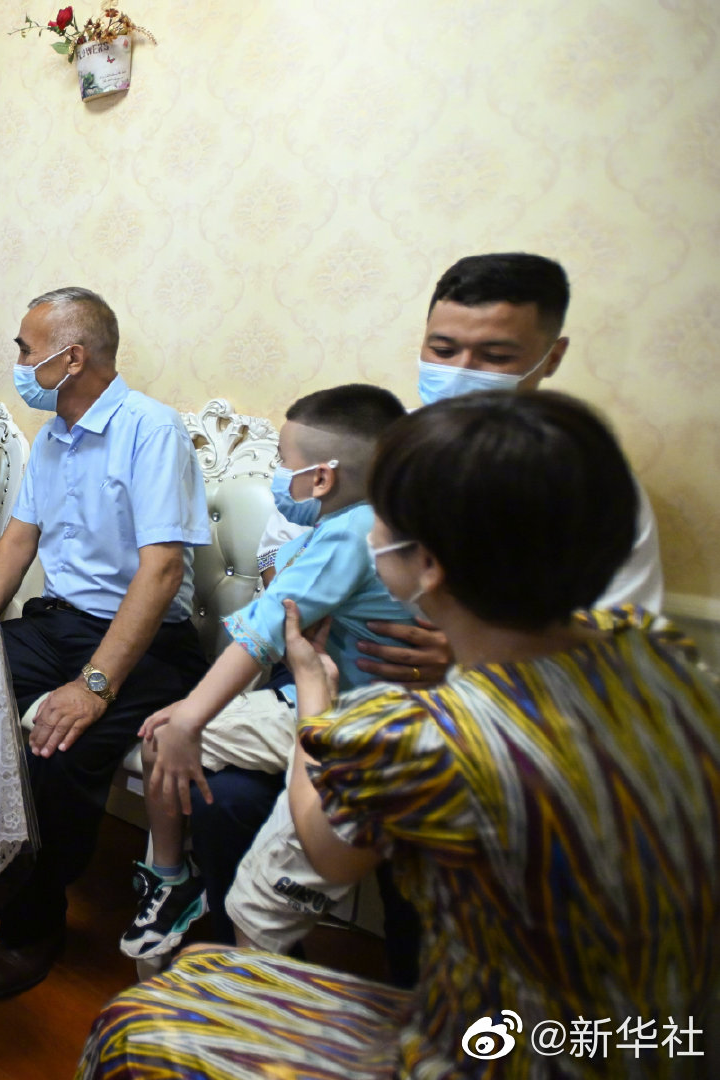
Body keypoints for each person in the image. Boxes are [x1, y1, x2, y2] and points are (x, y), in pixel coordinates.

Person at [78, 392, 719, 1080]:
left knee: (133, 1027)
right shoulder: (655, 652)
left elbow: (328, 851)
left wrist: (315, 698)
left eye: (380, 508)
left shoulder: (426, 734)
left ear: (428, 563)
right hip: (667, 1041)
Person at [191, 252, 669, 967]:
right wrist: (301, 607)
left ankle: (390, 987)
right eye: (443, 349)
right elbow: (288, 550)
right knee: (221, 792)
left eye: (494, 355)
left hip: (460, 727)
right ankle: (248, 955)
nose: (460, 370)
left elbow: (614, 657)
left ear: (551, 355)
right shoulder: (387, 447)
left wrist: (461, 658)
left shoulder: (585, 488)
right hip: (339, 691)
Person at [0, 288, 211, 998]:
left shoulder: (151, 430)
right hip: (59, 623)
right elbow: (19, 538)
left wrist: (93, 685)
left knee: (59, 746)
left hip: (147, 638)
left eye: (25, 349)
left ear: (70, 359)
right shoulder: (52, 438)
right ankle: (4, 871)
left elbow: (161, 572)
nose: (17, 361)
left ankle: (34, 923)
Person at [123, 385, 414, 963]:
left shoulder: (349, 533)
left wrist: (192, 718)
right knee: (163, 738)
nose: (279, 475)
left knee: (253, 905)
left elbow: (261, 634)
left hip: (345, 720)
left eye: (284, 461)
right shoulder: (374, 521)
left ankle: (238, 964)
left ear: (322, 478)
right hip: (336, 702)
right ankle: (177, 881)